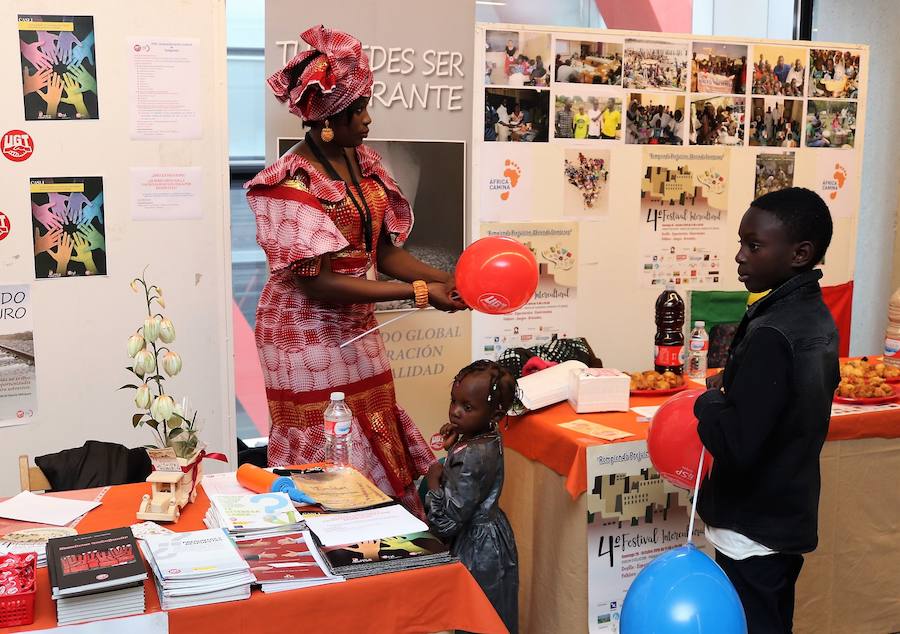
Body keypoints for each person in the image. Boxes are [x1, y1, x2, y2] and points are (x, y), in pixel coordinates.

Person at [246, 25, 467, 516]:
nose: (368, 119)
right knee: (327, 436)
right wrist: (417, 294)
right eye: (358, 110)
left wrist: (441, 281)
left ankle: (377, 530)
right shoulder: (287, 183)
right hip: (302, 333)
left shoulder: (362, 162)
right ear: (328, 121)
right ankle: (332, 536)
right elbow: (318, 282)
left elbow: (384, 251)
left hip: (354, 318)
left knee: (373, 416)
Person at [694, 187, 839, 634]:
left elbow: (737, 442)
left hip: (752, 527)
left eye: (753, 246)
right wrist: (737, 383)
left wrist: (709, 402)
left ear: (800, 253)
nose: (740, 256)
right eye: (741, 243)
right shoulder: (812, 315)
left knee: (751, 623)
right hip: (783, 515)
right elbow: (791, 400)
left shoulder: (773, 331)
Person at [425, 360, 519, 634]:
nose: (455, 412)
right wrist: (459, 440)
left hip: (478, 550)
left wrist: (434, 480)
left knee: (476, 619)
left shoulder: (472, 455)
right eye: (454, 402)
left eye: (467, 407)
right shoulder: (489, 435)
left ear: (495, 411)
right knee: (494, 615)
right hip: (492, 536)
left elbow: (446, 523)